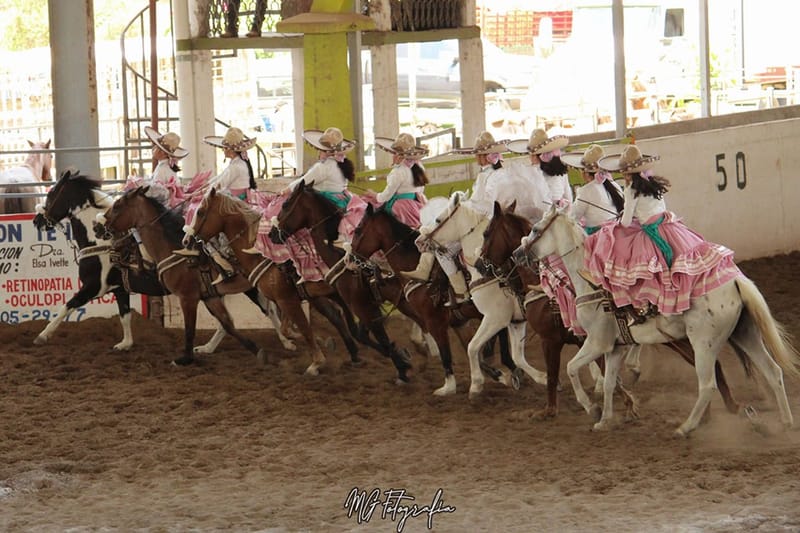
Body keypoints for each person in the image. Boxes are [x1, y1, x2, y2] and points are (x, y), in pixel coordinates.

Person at [584, 144, 740, 320]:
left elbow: (626, 222)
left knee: (634, 261)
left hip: (651, 231)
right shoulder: (653, 183)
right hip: (669, 226)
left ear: (627, 173)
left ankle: (647, 304)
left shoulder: (631, 190)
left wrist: (621, 219)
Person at [403, 131, 511, 306]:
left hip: (482, 221)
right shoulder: (491, 173)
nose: (476, 157)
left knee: (442, 250)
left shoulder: (492, 176)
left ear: (484, 156)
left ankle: (461, 292)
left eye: (477, 154)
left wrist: (465, 207)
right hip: (480, 217)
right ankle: (427, 270)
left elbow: (488, 205)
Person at [176, 126, 258, 285]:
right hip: (236, 202)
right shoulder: (238, 164)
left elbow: (219, 185)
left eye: (225, 148)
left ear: (232, 150)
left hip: (235, 206)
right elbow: (216, 180)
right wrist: (200, 189)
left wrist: (198, 194)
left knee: (207, 225)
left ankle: (224, 264)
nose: (223, 150)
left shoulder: (236, 166)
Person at [284, 127, 367, 243]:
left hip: (326, 203)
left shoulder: (323, 167)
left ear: (326, 151)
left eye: (320, 149)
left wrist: (285, 190)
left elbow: (303, 182)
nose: (319, 152)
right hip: (343, 199)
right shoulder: (341, 164)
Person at [365, 132, 429, 228]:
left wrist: (374, 195)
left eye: (393, 153)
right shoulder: (419, 166)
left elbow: (386, 195)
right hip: (417, 204)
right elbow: (420, 189)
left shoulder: (398, 172)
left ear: (398, 155)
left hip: (401, 208)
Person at [507, 128, 571, 208]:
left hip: (541, 213)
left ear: (534, 156)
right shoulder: (560, 169)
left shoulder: (530, 172)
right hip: (561, 210)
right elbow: (568, 195)